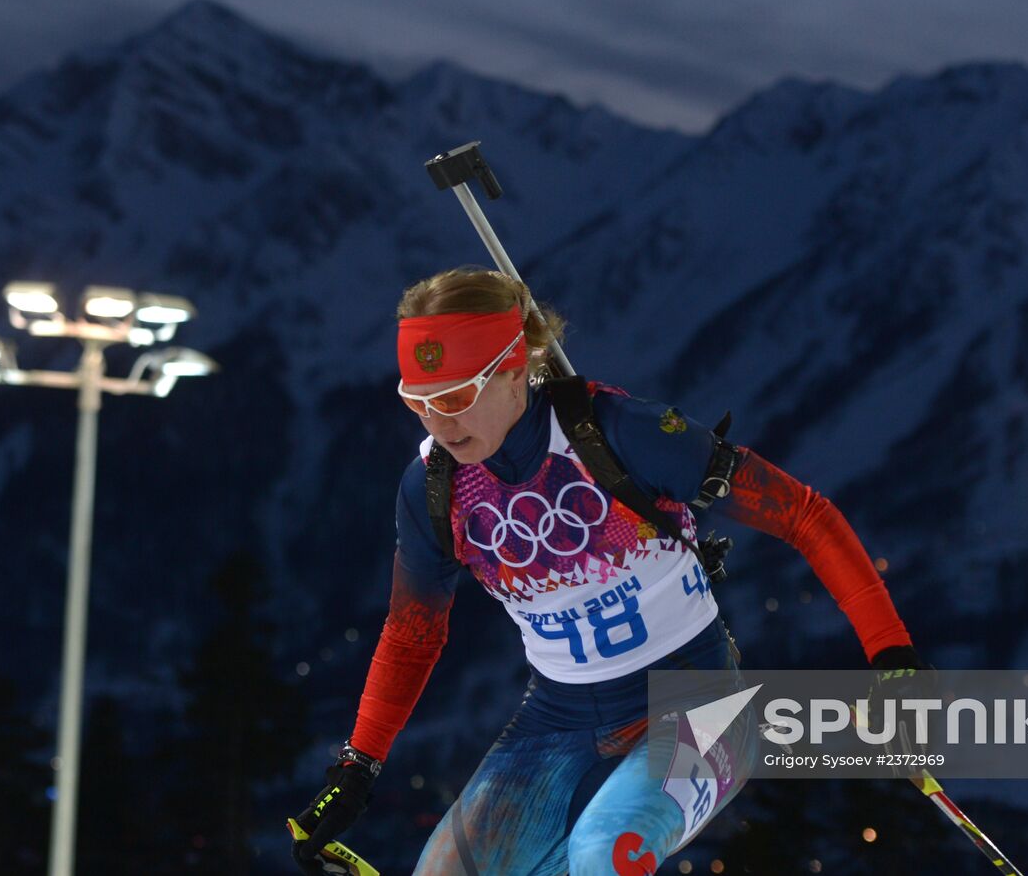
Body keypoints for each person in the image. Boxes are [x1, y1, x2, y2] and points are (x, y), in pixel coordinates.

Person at [292, 267, 926, 875]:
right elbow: (412, 634)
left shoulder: (624, 434)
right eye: (418, 401)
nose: (438, 421)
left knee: (604, 854)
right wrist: (356, 770)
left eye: (455, 396)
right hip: (556, 720)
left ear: (515, 369)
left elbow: (805, 516)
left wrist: (889, 651)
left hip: (700, 707)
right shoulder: (434, 488)